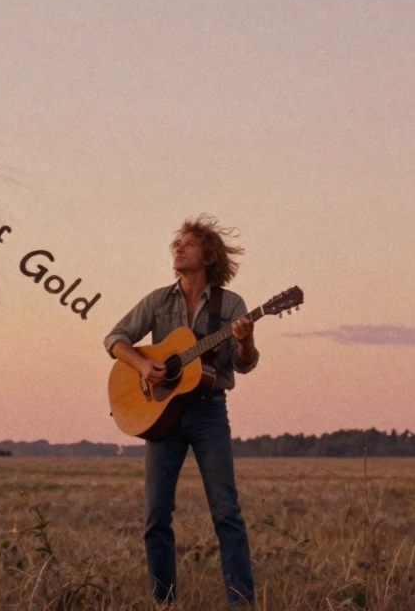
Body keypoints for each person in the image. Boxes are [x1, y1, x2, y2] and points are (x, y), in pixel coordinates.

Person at [103, 214, 258, 605]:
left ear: (207, 256)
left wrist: (245, 340)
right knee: (156, 518)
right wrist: (142, 366)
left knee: (227, 514)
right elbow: (115, 338)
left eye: (187, 244)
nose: (178, 248)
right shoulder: (158, 300)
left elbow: (244, 364)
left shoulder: (231, 305)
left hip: (209, 414)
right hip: (162, 417)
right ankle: (163, 602)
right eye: (177, 244)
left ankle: (241, 604)